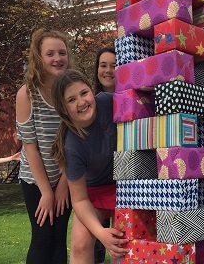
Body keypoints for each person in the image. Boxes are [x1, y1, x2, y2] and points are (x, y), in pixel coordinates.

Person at [51, 69, 128, 263]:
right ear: (63, 109)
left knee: (129, 239)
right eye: (71, 100)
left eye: (84, 93)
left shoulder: (108, 101)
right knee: (80, 243)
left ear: (92, 92)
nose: (81, 102)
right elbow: (79, 200)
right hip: (94, 192)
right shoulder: (71, 146)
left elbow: (139, 104)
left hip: (127, 184)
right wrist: (101, 233)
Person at [16, 28, 73, 264]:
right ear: (39, 58)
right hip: (35, 180)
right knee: (42, 237)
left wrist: (62, 185)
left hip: (66, 178)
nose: (57, 58)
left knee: (59, 238)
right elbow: (30, 147)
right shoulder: (27, 94)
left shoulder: (70, 93)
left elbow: (76, 143)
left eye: (62, 52)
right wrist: (47, 192)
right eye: (50, 53)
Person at [92, 46, 116, 264]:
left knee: (121, 243)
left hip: (124, 184)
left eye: (114, 65)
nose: (108, 70)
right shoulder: (90, 102)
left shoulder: (135, 98)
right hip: (97, 184)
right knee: (94, 245)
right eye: (103, 65)